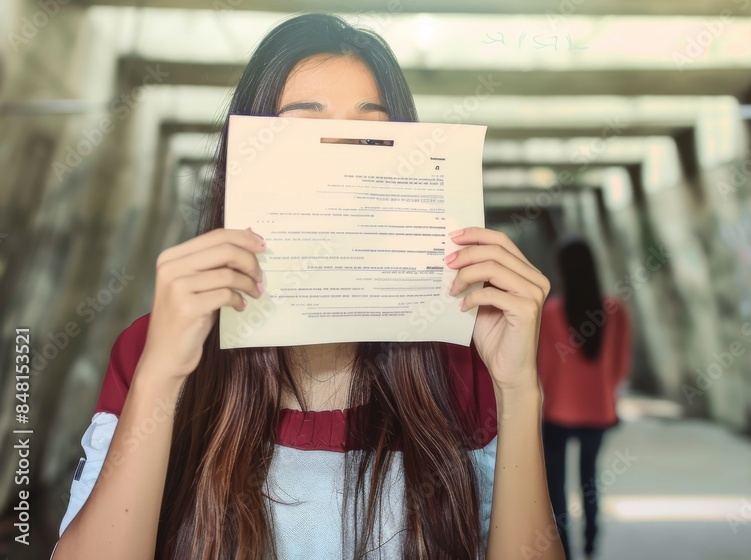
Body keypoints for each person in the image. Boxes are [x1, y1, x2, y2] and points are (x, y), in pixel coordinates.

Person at [52, 14, 563, 560]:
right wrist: (161, 375)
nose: (341, 153)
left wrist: (518, 389)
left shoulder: (464, 367)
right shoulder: (154, 348)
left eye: (371, 131)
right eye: (302, 127)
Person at [536, 237, 632, 560]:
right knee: (589, 480)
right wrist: (603, 392)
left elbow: (544, 369)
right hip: (599, 413)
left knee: (557, 489)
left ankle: (564, 548)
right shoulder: (615, 310)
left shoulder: (550, 313)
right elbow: (620, 367)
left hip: (558, 415)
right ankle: (592, 542)